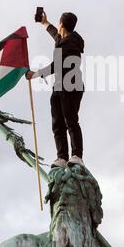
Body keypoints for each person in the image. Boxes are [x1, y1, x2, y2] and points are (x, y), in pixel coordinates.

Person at [26, 10, 84, 168]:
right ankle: (62, 158)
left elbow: (56, 64)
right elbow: (55, 34)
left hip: (71, 86)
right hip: (59, 87)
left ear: (62, 24)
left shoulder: (71, 43)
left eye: (58, 23)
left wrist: (35, 74)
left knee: (70, 121)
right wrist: (44, 22)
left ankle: (77, 156)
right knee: (57, 123)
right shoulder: (63, 39)